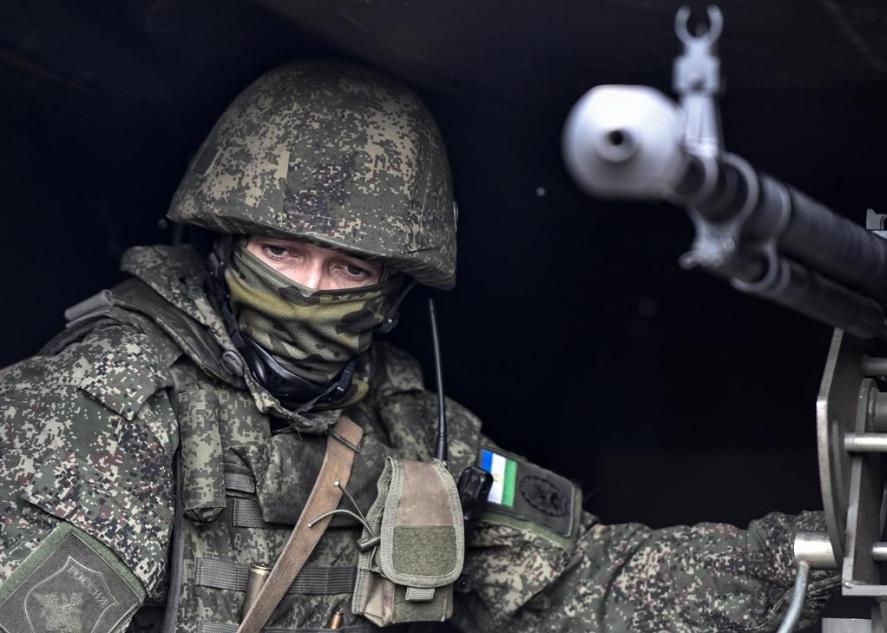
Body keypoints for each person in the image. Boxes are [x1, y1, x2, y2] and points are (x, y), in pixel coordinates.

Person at [0, 60, 835, 633]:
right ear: (223, 244)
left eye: (349, 267)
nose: (310, 288)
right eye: (281, 251)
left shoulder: (409, 427)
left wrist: (816, 550)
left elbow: (585, 585)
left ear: (393, 290)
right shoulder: (100, 402)